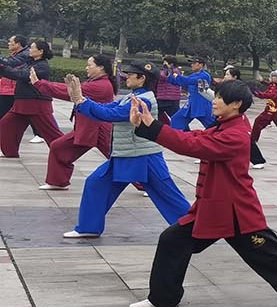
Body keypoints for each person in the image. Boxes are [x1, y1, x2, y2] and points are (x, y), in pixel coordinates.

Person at [124, 83, 277, 307]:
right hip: (212, 209)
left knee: (268, 255)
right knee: (172, 240)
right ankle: (162, 299)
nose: (214, 101)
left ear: (236, 104)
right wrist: (147, 125)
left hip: (237, 212)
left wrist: (153, 126)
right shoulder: (224, 126)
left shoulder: (235, 134)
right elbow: (193, 136)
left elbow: (192, 145)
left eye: (220, 97)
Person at [62, 62, 191, 239]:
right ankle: (88, 227)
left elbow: (111, 115)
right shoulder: (133, 96)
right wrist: (81, 100)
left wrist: (81, 101)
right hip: (127, 155)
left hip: (144, 157)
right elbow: (109, 108)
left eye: (130, 74)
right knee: (95, 183)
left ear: (142, 78)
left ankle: (194, 228)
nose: (126, 77)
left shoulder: (143, 100)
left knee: (168, 196)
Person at [30, 54, 116, 190]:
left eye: (90, 65)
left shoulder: (101, 85)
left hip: (98, 129)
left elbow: (66, 91)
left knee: (120, 159)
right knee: (58, 147)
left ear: (101, 68)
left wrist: (40, 84)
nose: (86, 68)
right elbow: (69, 90)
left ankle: (146, 184)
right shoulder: (97, 82)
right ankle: (57, 182)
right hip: (88, 128)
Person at [0, 40, 62, 156]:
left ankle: (65, 152)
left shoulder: (42, 66)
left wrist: (2, 67)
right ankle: (10, 152)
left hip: (37, 103)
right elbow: (15, 71)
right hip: (22, 103)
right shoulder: (31, 63)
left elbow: (21, 75)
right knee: (6, 124)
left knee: (51, 132)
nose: (29, 50)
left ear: (40, 51)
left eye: (32, 48)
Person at [166, 57, 213, 130]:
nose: (191, 65)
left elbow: (188, 81)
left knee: (213, 125)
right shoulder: (193, 75)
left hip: (202, 106)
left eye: (194, 63)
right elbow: (182, 82)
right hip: (191, 105)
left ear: (201, 65)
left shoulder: (205, 76)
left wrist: (175, 74)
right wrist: (169, 75)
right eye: (192, 63)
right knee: (176, 119)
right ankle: (182, 136)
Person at [251, 73, 277, 149]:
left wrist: (255, 92)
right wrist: (261, 81)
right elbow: (268, 87)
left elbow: (266, 95)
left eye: (274, 76)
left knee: (259, 121)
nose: (271, 77)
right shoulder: (273, 85)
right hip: (274, 107)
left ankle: (253, 138)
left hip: (274, 108)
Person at [153, 56, 185, 124]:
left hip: (167, 99)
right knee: (158, 117)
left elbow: (163, 76)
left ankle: (183, 129)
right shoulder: (176, 71)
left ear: (171, 64)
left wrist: (165, 69)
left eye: (165, 62)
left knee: (176, 118)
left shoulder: (174, 71)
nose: (163, 64)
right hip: (168, 98)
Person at [0, 35, 23, 125]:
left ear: (18, 44)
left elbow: (14, 70)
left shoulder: (23, 57)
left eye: (10, 41)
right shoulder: (14, 56)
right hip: (6, 90)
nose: (8, 43)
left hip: (13, 91)